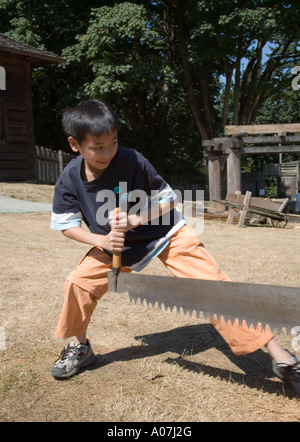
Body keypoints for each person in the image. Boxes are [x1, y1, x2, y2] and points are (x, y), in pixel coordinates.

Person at [50, 100, 300, 395]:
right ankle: (80, 347)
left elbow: (168, 199)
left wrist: (133, 220)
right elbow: (66, 225)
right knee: (78, 283)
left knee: (212, 286)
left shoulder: (132, 160)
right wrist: (101, 241)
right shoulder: (69, 178)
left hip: (166, 231)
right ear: (74, 144)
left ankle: (282, 357)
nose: (107, 152)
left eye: (113, 143)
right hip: (116, 245)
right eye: (98, 146)